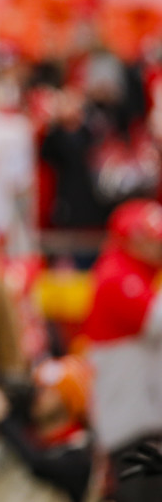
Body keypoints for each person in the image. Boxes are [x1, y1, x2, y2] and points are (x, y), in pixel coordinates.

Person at [80, 198, 162, 502]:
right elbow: (156, 320)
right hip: (129, 423)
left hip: (140, 419)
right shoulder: (117, 275)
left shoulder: (134, 273)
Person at [0, 355, 97, 502]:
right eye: (37, 387)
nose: (37, 394)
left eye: (46, 389)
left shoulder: (79, 452)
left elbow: (40, 465)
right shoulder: (29, 436)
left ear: (68, 399)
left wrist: (3, 417)